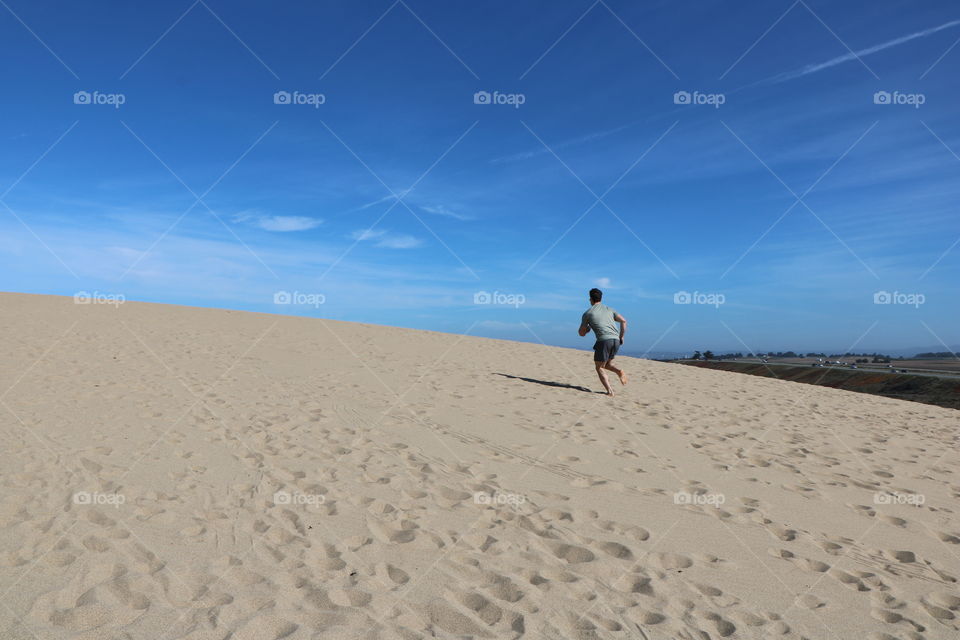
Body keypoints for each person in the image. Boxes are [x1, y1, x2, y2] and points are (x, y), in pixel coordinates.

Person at [578, 288, 628, 396]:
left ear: (590, 299)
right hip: (616, 340)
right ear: (601, 298)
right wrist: (622, 337)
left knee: (599, 367)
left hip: (604, 341)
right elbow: (623, 321)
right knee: (607, 364)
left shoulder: (588, 313)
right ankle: (619, 371)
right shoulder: (609, 309)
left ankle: (610, 391)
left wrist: (587, 330)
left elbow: (581, 333)